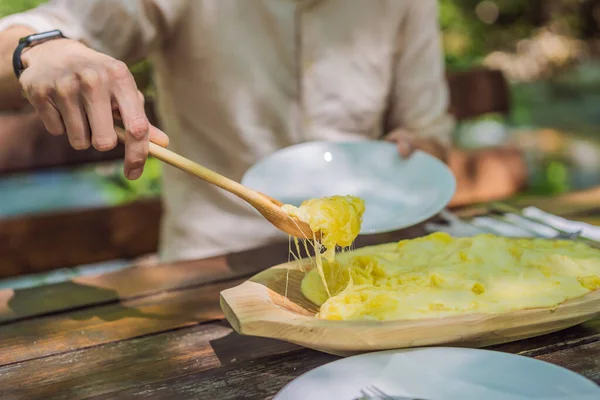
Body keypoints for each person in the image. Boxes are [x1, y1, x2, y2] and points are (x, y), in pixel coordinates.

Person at [0, 0, 456, 262]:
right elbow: (33, 32)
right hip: (214, 264)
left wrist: (419, 152)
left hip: (368, 256)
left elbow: (427, 130)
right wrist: (38, 49)